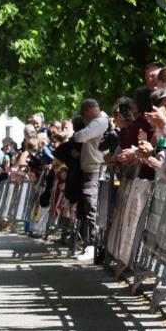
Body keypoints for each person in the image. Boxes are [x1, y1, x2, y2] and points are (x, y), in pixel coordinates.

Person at [73, 99, 108, 261]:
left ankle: (95, 245)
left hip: (96, 170)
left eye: (84, 114)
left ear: (88, 111)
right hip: (91, 169)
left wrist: (76, 133)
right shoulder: (97, 123)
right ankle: (92, 244)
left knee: (92, 206)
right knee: (89, 207)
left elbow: (80, 136)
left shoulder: (99, 122)